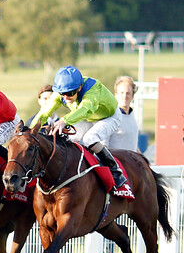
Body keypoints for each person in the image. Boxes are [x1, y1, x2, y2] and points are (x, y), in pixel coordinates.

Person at [30, 65, 130, 196]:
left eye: (70, 93)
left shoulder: (92, 91)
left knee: (90, 139)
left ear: (79, 88)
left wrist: (64, 120)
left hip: (109, 117)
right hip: (87, 118)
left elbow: (85, 110)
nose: (66, 97)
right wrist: (30, 131)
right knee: (69, 139)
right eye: (62, 94)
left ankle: (116, 171)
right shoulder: (61, 93)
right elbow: (44, 113)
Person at [108, 76, 139, 151]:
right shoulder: (111, 117)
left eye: (128, 93)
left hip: (131, 161)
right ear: (116, 95)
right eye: (122, 93)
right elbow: (103, 145)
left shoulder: (132, 116)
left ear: (132, 96)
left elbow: (133, 145)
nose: (125, 96)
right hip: (117, 161)